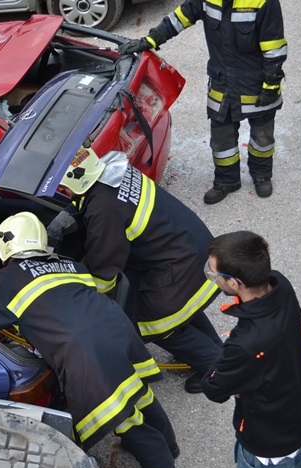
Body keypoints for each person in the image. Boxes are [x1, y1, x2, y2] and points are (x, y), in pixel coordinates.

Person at [0, 211, 182, 468]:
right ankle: (169, 445)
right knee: (139, 392)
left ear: (7, 249)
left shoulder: (6, 281)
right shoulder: (69, 264)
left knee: (122, 416)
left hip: (86, 351)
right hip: (117, 330)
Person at [47, 147, 223, 394]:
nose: (64, 192)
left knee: (154, 323)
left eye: (65, 188)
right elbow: (87, 199)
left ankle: (216, 371)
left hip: (180, 269)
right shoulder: (115, 173)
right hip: (196, 252)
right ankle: (219, 354)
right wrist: (68, 214)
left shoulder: (104, 211)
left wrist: (92, 299)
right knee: (182, 310)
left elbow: (105, 266)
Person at [202, 230, 301, 468]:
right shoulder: (281, 286)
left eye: (213, 274)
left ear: (235, 283)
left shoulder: (246, 344)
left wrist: (228, 352)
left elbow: (213, 387)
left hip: (269, 450)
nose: (211, 277)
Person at [119, 0, 287, 204]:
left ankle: (261, 174)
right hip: (223, 83)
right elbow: (180, 17)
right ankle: (227, 181)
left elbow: (275, 47)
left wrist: (271, 85)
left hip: (258, 84)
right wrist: (152, 39)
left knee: (263, 136)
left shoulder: (263, 2)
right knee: (221, 137)